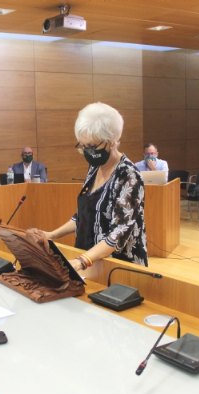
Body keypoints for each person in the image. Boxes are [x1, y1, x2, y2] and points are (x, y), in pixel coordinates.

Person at [40, 102, 147, 270]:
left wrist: (82, 261)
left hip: (119, 268)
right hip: (91, 262)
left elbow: (120, 230)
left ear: (111, 141)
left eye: (91, 146)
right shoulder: (94, 168)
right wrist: (52, 235)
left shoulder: (129, 175)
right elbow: (83, 215)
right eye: (82, 146)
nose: (87, 152)